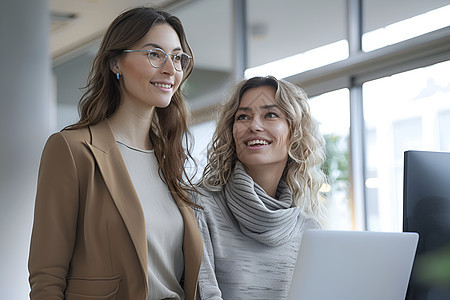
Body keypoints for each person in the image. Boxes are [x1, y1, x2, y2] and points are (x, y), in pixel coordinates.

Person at [28, 6, 203, 300]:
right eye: (154, 54)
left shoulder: (171, 158)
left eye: (177, 57)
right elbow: (47, 277)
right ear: (115, 63)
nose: (170, 69)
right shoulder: (72, 150)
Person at [192, 76, 327, 299]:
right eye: (243, 116)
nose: (254, 126)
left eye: (270, 115)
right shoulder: (200, 206)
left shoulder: (308, 229)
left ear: (295, 131)